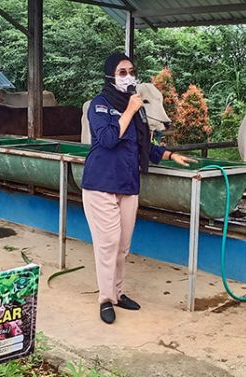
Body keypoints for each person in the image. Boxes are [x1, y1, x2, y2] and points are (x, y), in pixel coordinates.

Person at [82, 53, 196, 324]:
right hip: (101, 184)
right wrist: (130, 110)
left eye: (131, 71)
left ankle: (118, 293)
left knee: (122, 246)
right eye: (122, 72)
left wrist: (168, 155)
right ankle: (105, 299)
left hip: (128, 184)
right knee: (108, 244)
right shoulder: (99, 105)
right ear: (110, 75)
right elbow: (109, 139)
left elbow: (142, 143)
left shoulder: (138, 108)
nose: (129, 76)